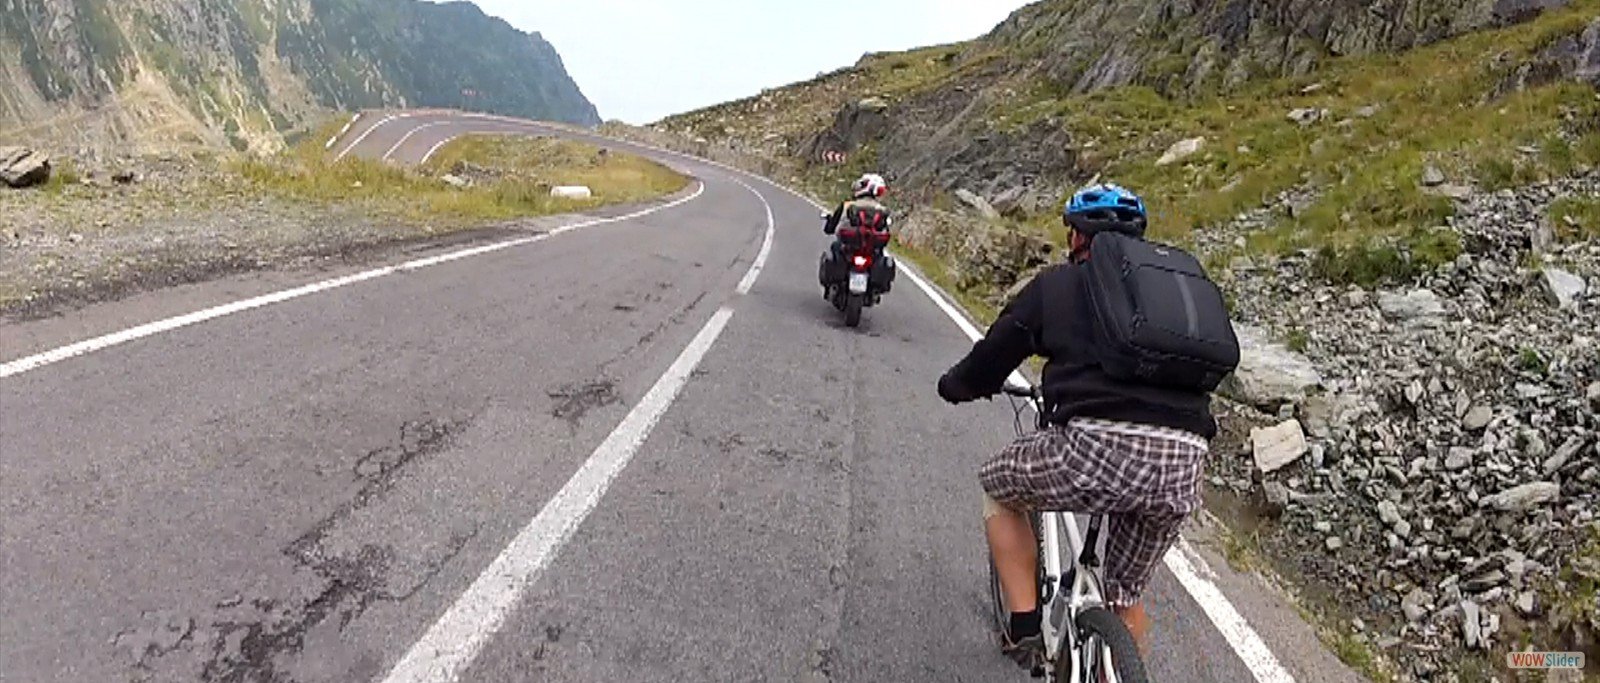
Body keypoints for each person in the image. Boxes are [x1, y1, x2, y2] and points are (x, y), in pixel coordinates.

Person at [936, 183, 1217, 667]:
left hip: (1093, 449)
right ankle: (1117, 666)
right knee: (1124, 592)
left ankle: (1024, 626)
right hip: (1183, 459)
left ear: (1077, 238)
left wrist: (958, 386)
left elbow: (994, 356)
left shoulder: (1059, 286)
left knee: (998, 489)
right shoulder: (1166, 296)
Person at [819, 173, 893, 296]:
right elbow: (884, 231)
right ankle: (874, 290)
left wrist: (829, 225)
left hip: (849, 248)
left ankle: (830, 287)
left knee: (834, 248)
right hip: (871, 251)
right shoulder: (883, 210)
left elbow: (830, 228)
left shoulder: (848, 205)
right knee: (881, 256)